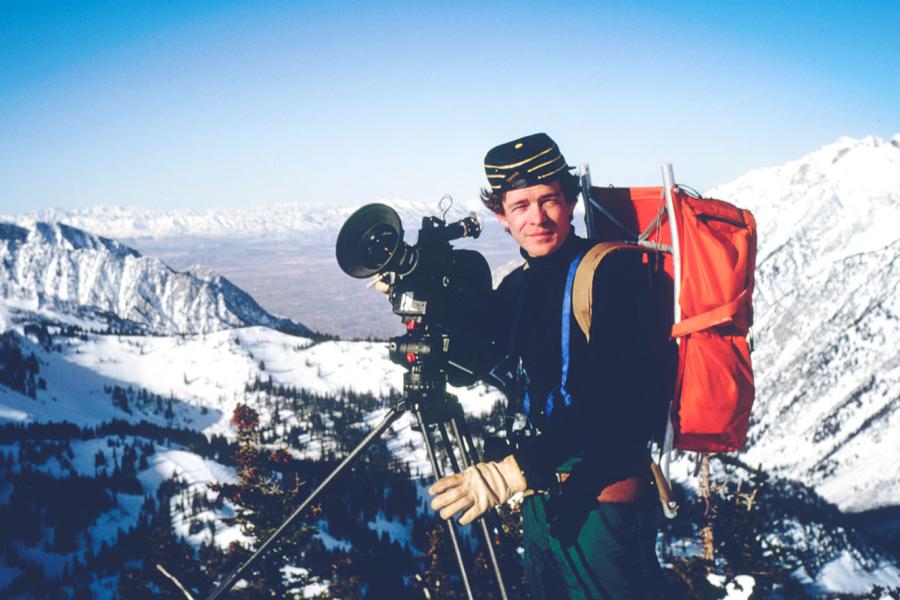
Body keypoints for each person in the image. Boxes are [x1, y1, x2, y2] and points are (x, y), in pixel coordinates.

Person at [428, 133, 667, 599]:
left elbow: (613, 404)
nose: (535, 218)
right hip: (541, 501)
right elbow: (471, 364)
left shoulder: (613, 274)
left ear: (571, 201)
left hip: (602, 504)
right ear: (501, 216)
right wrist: (419, 300)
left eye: (548, 201)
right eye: (520, 206)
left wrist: (510, 472)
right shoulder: (519, 285)